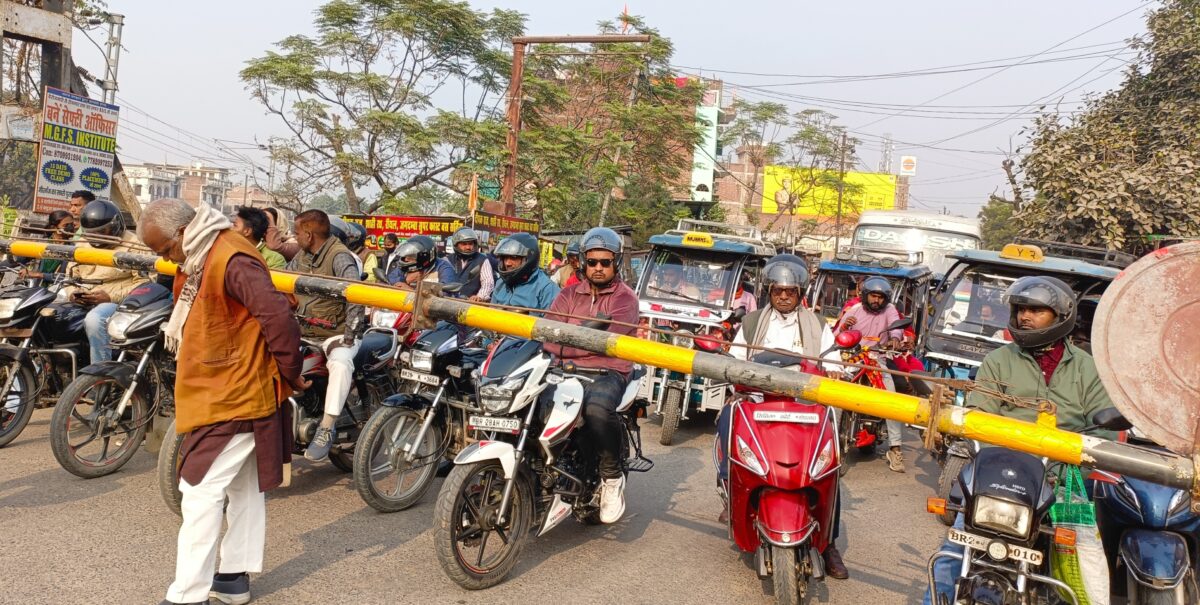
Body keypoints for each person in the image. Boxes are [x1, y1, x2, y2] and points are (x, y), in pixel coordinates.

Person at [139, 198, 306, 605]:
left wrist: (289, 372)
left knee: (198, 489)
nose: (167, 259)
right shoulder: (203, 252)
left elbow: (278, 318)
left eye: (166, 249)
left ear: (183, 232)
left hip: (238, 389)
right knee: (243, 485)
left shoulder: (231, 257)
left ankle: (188, 594)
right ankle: (233, 579)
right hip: (219, 384)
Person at [924, 275, 1115, 605]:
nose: (1025, 316)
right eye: (1020, 309)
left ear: (1061, 315)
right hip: (1001, 479)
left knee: (1089, 564)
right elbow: (979, 418)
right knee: (954, 552)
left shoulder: (1088, 369)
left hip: (1061, 481)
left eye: (1036, 310)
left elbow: (1103, 432)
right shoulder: (998, 361)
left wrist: (1066, 472)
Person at [719, 256, 849, 579]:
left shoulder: (818, 325)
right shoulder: (752, 322)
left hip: (805, 406)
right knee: (725, 419)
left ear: (800, 292)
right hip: (757, 401)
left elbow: (834, 360)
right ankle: (730, 493)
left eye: (790, 291)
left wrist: (835, 371)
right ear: (769, 291)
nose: (784, 296)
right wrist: (735, 378)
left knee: (828, 468)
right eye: (778, 290)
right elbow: (734, 360)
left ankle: (829, 543)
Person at [542, 227, 639, 524]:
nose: (598, 268)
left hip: (608, 370)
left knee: (596, 409)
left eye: (605, 262)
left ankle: (611, 477)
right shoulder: (568, 294)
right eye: (593, 261)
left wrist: (565, 344)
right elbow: (548, 333)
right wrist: (566, 346)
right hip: (564, 369)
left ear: (616, 263)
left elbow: (606, 344)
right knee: (530, 404)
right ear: (583, 262)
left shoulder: (625, 299)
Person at [285, 210, 366, 463]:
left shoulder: (340, 257)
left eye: (297, 233)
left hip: (336, 333)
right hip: (304, 329)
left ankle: (327, 426)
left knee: (340, 362)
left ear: (309, 235)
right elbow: (283, 281)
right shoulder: (302, 255)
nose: (294, 237)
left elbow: (356, 294)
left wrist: (349, 336)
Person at [835, 275, 908, 472]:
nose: (876, 300)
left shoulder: (890, 310)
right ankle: (827, 439)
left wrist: (894, 338)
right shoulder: (854, 310)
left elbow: (896, 327)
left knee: (891, 400)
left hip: (878, 360)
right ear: (865, 295)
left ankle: (895, 448)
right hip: (853, 360)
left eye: (880, 297)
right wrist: (845, 327)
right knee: (835, 392)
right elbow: (836, 335)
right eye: (873, 296)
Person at [62, 200, 143, 363]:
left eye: (102, 231)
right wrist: (73, 293)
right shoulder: (82, 244)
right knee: (46, 310)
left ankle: (100, 370)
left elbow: (144, 284)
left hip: (117, 304)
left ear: (115, 226)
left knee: (94, 320)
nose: (97, 238)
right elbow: (69, 277)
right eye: (92, 233)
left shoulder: (135, 246)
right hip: (83, 299)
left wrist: (110, 297)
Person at [491, 233, 559, 314]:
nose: (507, 263)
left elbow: (552, 320)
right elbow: (490, 313)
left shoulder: (547, 289)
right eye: (505, 258)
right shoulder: (501, 283)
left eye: (514, 257)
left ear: (528, 258)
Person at [21, 210, 74, 283]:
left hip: (57, 287)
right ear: (54, 227)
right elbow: (21, 259)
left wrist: (39, 275)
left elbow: (65, 277)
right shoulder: (42, 244)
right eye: (66, 225)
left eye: (71, 224)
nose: (70, 228)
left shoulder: (72, 249)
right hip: (36, 285)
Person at [446, 227, 493, 301]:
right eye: (464, 244)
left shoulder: (482, 260)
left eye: (470, 244)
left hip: (472, 304)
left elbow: (488, 283)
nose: (468, 247)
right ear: (456, 244)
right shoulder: (448, 260)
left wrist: (479, 296)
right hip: (449, 301)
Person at [386, 235, 454, 286]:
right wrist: (405, 280)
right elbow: (390, 279)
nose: (406, 259)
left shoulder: (443, 268)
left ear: (424, 257)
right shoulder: (404, 266)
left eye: (410, 257)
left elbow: (445, 293)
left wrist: (411, 290)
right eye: (405, 256)